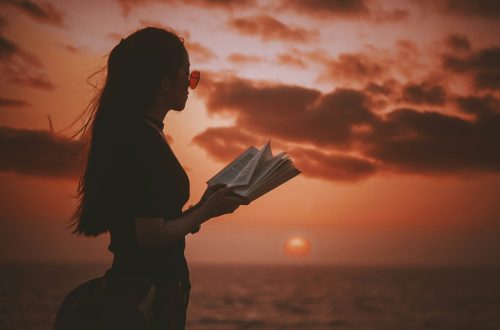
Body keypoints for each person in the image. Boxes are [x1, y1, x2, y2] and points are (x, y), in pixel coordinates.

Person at [54, 27, 248, 330]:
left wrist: (200, 208)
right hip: (143, 299)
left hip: (148, 292)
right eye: (187, 75)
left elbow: (153, 221)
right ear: (165, 82)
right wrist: (208, 211)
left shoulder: (143, 133)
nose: (190, 85)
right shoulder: (140, 140)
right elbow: (150, 236)